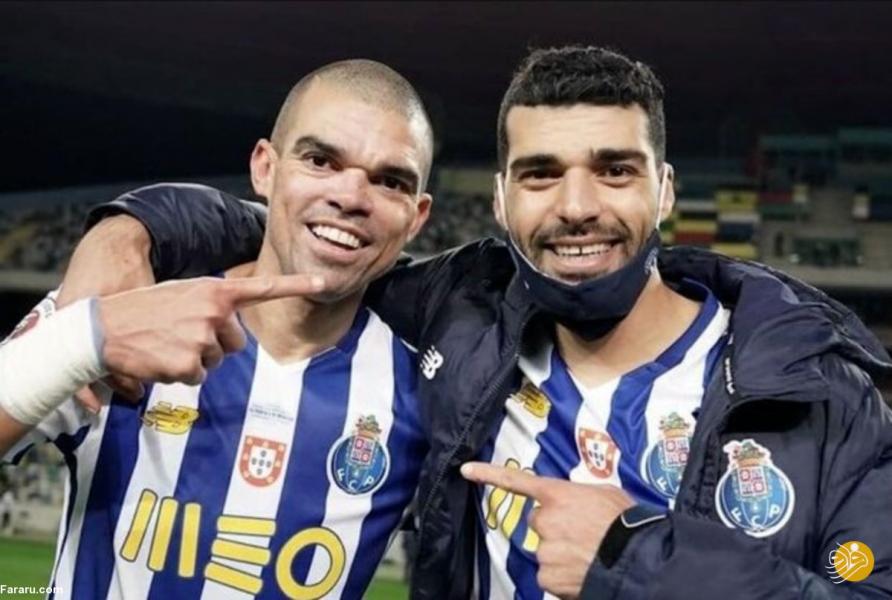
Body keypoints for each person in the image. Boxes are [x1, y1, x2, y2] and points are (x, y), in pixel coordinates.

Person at [63, 46, 892, 599]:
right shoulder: (458, 327)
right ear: (500, 200)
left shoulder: (824, 397)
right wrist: (131, 228)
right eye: (540, 173)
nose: (576, 205)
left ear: (665, 189)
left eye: (614, 170)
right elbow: (317, 239)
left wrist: (635, 562)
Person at [1, 58, 436, 599]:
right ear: (265, 168)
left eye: (390, 181)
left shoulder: (428, 394)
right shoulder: (124, 307)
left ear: (417, 217)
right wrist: (85, 340)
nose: (350, 198)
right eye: (320, 160)